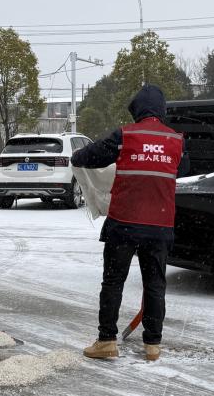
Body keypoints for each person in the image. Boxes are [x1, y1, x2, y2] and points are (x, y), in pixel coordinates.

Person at [71, 84, 186, 362]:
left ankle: (107, 340)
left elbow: (85, 157)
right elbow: (183, 168)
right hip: (159, 226)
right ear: (161, 110)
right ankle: (152, 345)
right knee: (155, 285)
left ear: (136, 111)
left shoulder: (124, 135)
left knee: (113, 283)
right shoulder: (176, 141)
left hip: (124, 223)